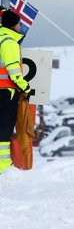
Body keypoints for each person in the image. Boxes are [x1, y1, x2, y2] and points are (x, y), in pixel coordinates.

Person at [0, 10, 32, 174]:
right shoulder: (9, 42)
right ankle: (3, 168)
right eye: (19, 23)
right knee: (4, 132)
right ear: (13, 25)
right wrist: (25, 87)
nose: (20, 26)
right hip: (6, 93)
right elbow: (14, 72)